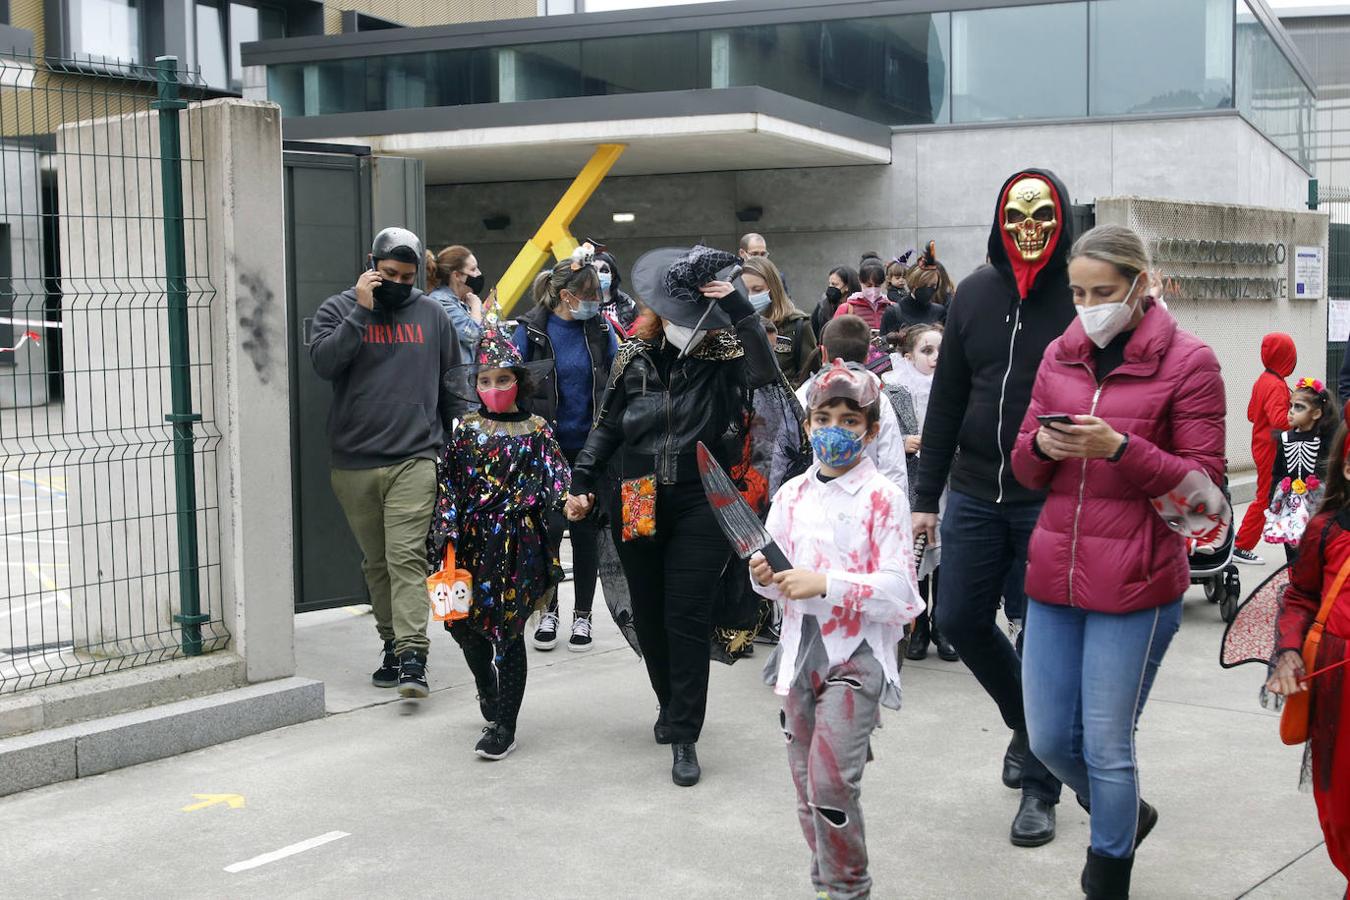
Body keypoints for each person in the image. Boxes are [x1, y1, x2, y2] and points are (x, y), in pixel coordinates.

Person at [1012, 223, 1227, 898]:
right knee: (1047, 740)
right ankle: (1128, 814)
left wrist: (1119, 449)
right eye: (1077, 292)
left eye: (1102, 291)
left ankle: (1108, 870)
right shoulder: (1060, 354)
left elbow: (1205, 503)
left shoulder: (1191, 363)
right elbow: (1023, 466)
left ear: (1142, 285)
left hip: (1135, 585)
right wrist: (1044, 450)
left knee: (1106, 744)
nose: (1088, 305)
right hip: (1054, 578)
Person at [563, 245, 779, 787]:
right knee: (651, 612)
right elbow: (609, 423)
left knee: (686, 615)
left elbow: (767, 373)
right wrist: (583, 478)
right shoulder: (632, 353)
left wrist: (739, 310)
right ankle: (669, 704)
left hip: (703, 494)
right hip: (636, 492)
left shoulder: (725, 351)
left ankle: (685, 733)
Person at [912, 169, 1078, 847]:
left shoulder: (1079, 296)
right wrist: (926, 497)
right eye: (1016, 214)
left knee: (1042, 641)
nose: (1029, 227)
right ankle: (1027, 725)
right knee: (956, 617)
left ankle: (1042, 784)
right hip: (975, 491)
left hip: (1051, 497)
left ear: (1063, 219)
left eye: (1042, 214)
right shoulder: (975, 294)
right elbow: (947, 397)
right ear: (999, 220)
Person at [751, 360, 924, 900]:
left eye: (850, 420)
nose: (835, 429)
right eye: (823, 417)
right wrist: (764, 577)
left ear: (871, 431)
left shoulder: (884, 498)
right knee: (806, 787)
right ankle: (825, 882)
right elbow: (775, 584)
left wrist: (826, 583)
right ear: (806, 426)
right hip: (798, 658)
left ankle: (851, 888)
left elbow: (900, 593)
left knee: (830, 786)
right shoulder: (791, 497)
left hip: (857, 658)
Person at [310, 227, 461, 699]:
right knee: (376, 562)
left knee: (406, 558)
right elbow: (325, 364)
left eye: (407, 276)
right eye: (389, 273)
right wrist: (361, 310)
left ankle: (414, 656)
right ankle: (392, 644)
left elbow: (452, 385)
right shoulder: (338, 309)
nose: (398, 282)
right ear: (371, 263)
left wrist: (457, 451)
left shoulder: (432, 314)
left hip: (415, 456)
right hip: (353, 461)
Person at [428, 324, 568, 759]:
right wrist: (446, 529)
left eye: (502, 379)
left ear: (518, 383)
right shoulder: (466, 430)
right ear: (475, 386)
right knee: (462, 626)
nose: (493, 387)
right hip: (469, 541)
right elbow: (447, 483)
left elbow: (557, 477)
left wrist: (572, 499)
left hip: (518, 543)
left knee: (509, 634)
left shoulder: (538, 429)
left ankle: (504, 724)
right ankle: (485, 684)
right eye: (484, 380)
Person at [513, 250, 617, 651]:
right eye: (588, 294)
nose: (596, 302)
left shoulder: (601, 330)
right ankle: (549, 609)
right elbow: (515, 383)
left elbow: (618, 377)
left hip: (589, 448)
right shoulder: (531, 331)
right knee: (550, 533)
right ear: (564, 295)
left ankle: (584, 617)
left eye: (598, 295)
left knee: (585, 531)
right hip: (546, 448)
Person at [1267, 421, 1350, 894]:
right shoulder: (1326, 529)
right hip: (1339, 691)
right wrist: (1289, 652)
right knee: (1339, 810)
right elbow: (1299, 596)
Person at [885, 324, 957, 662]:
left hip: (949, 482)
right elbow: (879, 437)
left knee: (945, 552)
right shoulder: (893, 389)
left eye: (940, 351)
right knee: (914, 553)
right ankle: (918, 626)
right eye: (927, 351)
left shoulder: (957, 387)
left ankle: (942, 625)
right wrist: (903, 443)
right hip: (912, 483)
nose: (935, 358)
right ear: (909, 356)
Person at [798, 315, 908, 492]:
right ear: (867, 356)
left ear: (823, 353)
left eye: (850, 421)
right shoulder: (878, 398)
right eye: (823, 420)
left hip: (813, 501)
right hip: (868, 503)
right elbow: (892, 465)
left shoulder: (803, 396)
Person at [1234, 333, 1297, 564]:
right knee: (1265, 498)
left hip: (1260, 445)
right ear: (1285, 357)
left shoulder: (1263, 380)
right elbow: (1280, 420)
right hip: (1271, 448)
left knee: (1270, 496)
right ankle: (1241, 545)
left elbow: (1252, 414)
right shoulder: (1277, 385)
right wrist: (1299, 415)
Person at [1265, 377, 1337, 562]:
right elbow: (1278, 472)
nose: (1291, 412)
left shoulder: (1324, 440)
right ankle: (1294, 581)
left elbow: (1332, 472)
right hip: (1290, 502)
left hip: (1316, 502)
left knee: (1316, 547)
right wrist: (1272, 499)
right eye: (1291, 406)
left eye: (1299, 407)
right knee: (1291, 547)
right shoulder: (1284, 439)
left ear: (1316, 414)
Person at [743, 255, 817, 388]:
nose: (750, 296)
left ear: (773, 289)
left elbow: (810, 376)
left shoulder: (798, 324)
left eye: (757, 290)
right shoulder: (731, 325)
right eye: (744, 291)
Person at [427, 244, 486, 366]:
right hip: (454, 379)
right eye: (473, 269)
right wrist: (476, 305)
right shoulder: (441, 302)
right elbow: (473, 333)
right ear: (457, 276)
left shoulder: (461, 302)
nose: (478, 273)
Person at [880, 241, 950, 335]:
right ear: (913, 283)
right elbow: (882, 347)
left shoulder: (940, 312)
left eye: (933, 285)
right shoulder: (893, 312)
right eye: (924, 284)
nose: (928, 289)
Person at [831, 258, 894, 332]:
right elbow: (833, 335)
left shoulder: (891, 307)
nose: (873, 290)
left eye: (877, 286)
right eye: (869, 286)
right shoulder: (847, 308)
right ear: (860, 282)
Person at [594, 247, 640, 336]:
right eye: (594, 270)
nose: (599, 275)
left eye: (604, 270)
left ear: (612, 275)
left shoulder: (628, 304)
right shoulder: (581, 306)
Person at [811, 266, 861, 339]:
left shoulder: (858, 306)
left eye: (834, 284)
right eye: (830, 284)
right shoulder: (823, 306)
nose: (830, 287)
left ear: (847, 286)